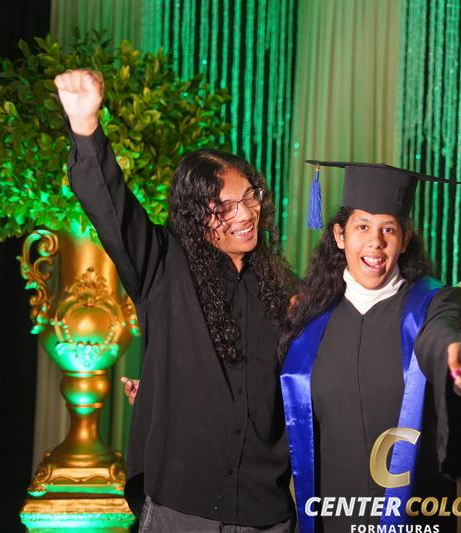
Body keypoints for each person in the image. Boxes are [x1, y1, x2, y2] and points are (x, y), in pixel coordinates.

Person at [55, 69, 295, 532]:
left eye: (250, 198)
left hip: (264, 510)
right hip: (181, 507)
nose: (245, 215)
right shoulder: (163, 264)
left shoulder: (283, 286)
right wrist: (85, 124)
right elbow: (112, 209)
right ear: (195, 214)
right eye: (223, 207)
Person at [278, 162, 461, 533]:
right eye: (362, 227)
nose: (375, 242)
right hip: (331, 517)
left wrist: (455, 356)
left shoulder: (435, 304)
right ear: (340, 235)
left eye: (388, 229)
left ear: (404, 240)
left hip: (416, 516)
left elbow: (441, 336)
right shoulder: (308, 319)